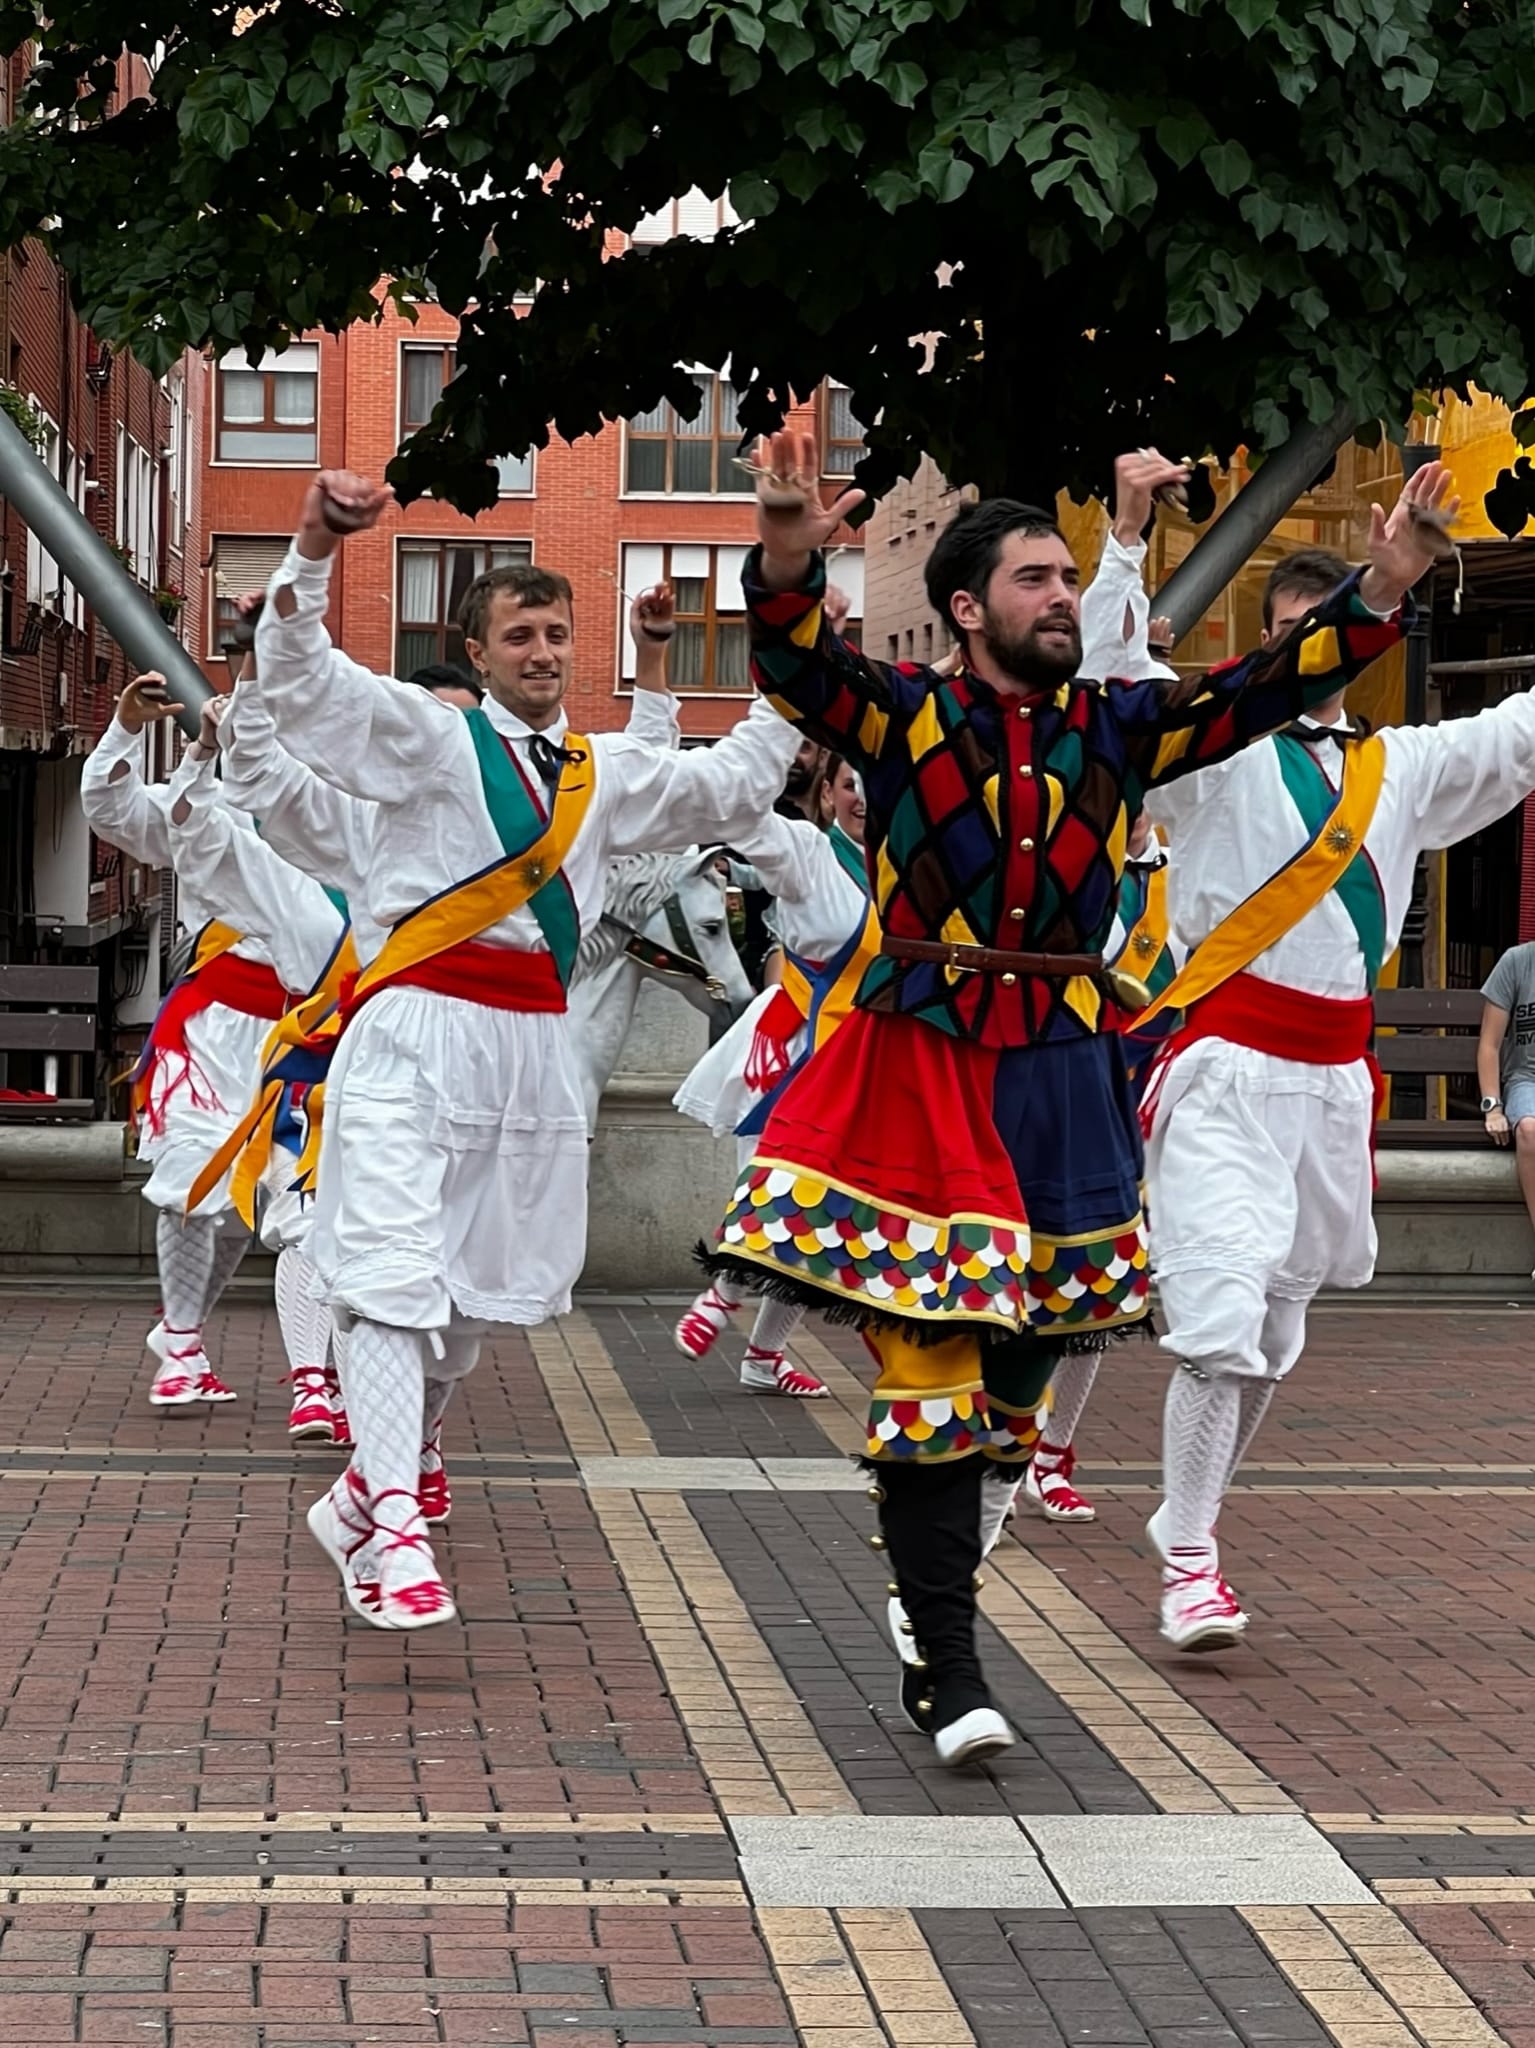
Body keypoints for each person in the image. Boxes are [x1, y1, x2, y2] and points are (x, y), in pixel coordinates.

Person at [708, 426, 1442, 1765]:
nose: (1060, 596)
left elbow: (1262, 687)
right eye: (1033, 579)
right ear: (964, 607)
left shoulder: (1117, 723)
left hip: (1059, 1068)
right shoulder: (900, 711)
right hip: (923, 1056)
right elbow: (793, 661)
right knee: (931, 1367)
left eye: (1065, 577)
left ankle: (929, 1579)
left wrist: (1380, 585)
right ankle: (944, 1663)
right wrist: (782, 543)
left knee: (1020, 1377)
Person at [253, 470, 800, 1631]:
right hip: (410, 1035)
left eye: (554, 633)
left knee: (462, 1312)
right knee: (392, 1283)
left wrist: (798, 652)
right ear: (477, 650)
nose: (541, 651)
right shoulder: (429, 739)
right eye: (518, 635)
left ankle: (358, 1496)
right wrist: (311, 545)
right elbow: (301, 683)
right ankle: (396, 1525)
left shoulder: (607, 774)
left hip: (529, 1052)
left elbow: (738, 782)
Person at [1129, 499, 1535, 1655]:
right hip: (1223, 1071)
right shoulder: (1212, 752)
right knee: (1218, 1314)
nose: (1312, 651)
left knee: (1273, 1333)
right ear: (1267, 645)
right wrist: (1118, 550)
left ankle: (1186, 1514)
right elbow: (1117, 707)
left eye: (1330, 628)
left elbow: (1512, 736)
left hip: (1329, 1087)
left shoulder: (1395, 766)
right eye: (1291, 633)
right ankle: (1190, 1559)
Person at [1021, 458, 1187, 1528]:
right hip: (1057, 1067)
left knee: (1110, 1277)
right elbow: (1101, 669)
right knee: (1018, 1264)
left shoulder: (1188, 860)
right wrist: (1124, 533)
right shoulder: (1058, 854)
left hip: (1155, 1092)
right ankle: (994, 1440)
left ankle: (1053, 1446)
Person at [80, 672, 292, 1407]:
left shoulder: (337, 813)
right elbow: (109, 808)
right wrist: (126, 728)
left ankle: (187, 1333)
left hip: (300, 1034)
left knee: (247, 1209)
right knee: (188, 1189)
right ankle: (181, 1343)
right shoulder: (201, 805)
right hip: (209, 1032)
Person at [168, 694, 357, 1446]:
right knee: (303, 1222)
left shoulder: (419, 856)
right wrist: (202, 754)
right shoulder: (282, 875)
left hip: (400, 1067)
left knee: (381, 1240)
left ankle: (361, 1389)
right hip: (311, 1070)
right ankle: (312, 1383)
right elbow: (196, 836)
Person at [674, 750, 875, 1397]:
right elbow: (748, 823)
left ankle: (763, 1354)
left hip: (871, 1054)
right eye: (850, 784)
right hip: (800, 1044)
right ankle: (725, 1293)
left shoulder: (912, 866)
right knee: (783, 1182)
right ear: (827, 795)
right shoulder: (810, 852)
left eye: (876, 785)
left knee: (833, 1216)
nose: (864, 799)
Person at [1477, 940, 1535, 1275]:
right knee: (1529, 1129)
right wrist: (1493, 1107)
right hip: (1527, 1077)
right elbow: (1489, 1044)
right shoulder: (1517, 962)